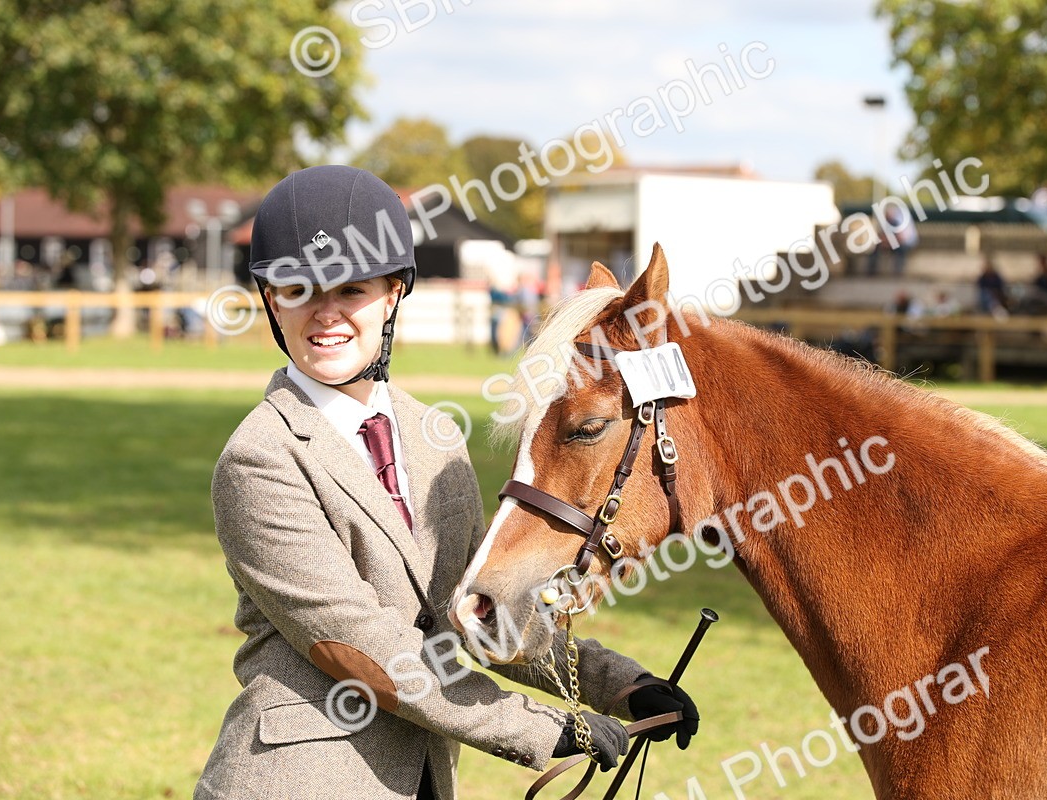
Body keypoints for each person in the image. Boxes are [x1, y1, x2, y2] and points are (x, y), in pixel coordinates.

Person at [194, 166, 697, 800]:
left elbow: (481, 613)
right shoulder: (261, 460)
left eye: (351, 290)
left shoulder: (433, 436)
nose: (326, 314)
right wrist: (544, 729)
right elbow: (356, 648)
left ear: (392, 295)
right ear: (271, 300)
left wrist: (616, 682)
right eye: (298, 290)